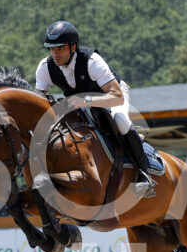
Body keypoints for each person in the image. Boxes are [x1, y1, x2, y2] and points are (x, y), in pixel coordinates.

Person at [35, 20, 155, 198]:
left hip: (110, 95)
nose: (55, 53)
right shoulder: (45, 67)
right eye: (52, 49)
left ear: (73, 47)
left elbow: (117, 97)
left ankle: (144, 175)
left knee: (120, 119)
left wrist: (86, 101)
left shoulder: (91, 61)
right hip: (80, 101)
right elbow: (39, 101)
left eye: (60, 48)